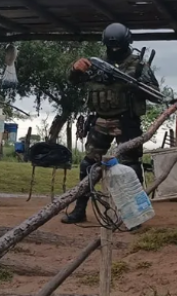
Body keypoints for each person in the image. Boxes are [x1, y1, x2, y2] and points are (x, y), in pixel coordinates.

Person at [61, 22, 161, 224]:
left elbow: (156, 94)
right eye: (111, 46)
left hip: (127, 121)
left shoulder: (138, 65)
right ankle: (80, 210)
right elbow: (73, 79)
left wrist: (132, 85)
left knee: (131, 167)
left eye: (118, 46)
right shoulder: (96, 63)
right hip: (100, 120)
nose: (114, 50)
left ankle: (136, 217)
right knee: (87, 165)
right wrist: (75, 68)